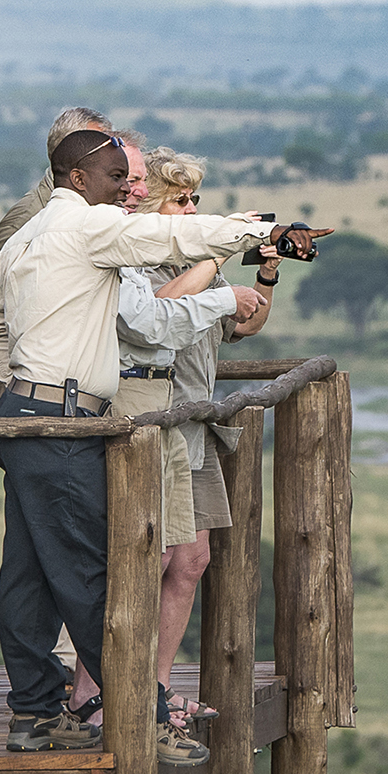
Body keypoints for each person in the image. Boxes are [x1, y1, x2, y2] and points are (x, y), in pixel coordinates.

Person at [0, 126, 303, 757]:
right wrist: (255, 231)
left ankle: (36, 713)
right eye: (117, 178)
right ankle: (142, 720)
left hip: (25, 416)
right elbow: (171, 235)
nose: (128, 190)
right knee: (93, 576)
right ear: (78, 179)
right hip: (64, 422)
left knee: (30, 575)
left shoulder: (29, 235)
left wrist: (25, 379)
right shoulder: (86, 226)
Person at [117, 150, 266, 723]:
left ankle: (153, 686)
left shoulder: (204, 261)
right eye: (180, 200)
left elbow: (245, 325)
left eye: (196, 200)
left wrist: (265, 271)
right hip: (156, 421)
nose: (192, 208)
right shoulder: (137, 259)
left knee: (191, 560)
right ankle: (117, 690)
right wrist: (217, 248)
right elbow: (159, 311)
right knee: (149, 557)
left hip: (194, 422)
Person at [0, 104, 109, 341]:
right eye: (98, 151)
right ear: (67, 154)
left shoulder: (93, 209)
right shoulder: (27, 216)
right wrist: (21, 368)